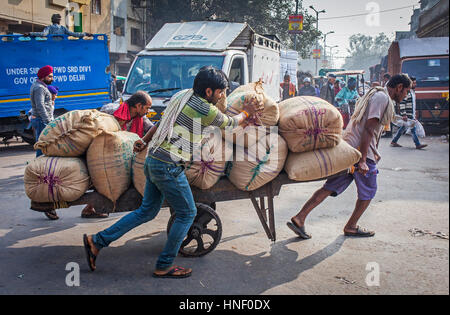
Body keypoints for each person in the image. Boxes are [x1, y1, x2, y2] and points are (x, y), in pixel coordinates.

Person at [82, 66, 263, 278]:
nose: (222, 95)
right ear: (208, 92)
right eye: (220, 91)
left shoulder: (182, 95)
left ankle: (97, 241)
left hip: (154, 159)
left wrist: (144, 140)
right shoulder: (205, 109)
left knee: (146, 212)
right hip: (168, 166)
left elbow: (162, 122)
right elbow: (229, 123)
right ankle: (164, 264)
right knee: (187, 213)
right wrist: (247, 112)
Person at [287, 74, 412, 239]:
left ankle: (300, 217)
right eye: (406, 92)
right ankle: (351, 226)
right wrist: (362, 159)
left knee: (330, 187)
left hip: (351, 150)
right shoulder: (382, 98)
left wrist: (373, 152)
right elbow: (368, 129)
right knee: (369, 191)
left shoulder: (376, 94)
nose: (405, 96)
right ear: (399, 87)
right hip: (358, 152)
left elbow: (369, 128)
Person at [43, 91, 154, 221]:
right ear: (139, 106)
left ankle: (89, 208)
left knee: (103, 179)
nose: (148, 111)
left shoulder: (140, 118)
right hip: (94, 149)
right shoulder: (112, 110)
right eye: (147, 108)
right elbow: (94, 129)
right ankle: (49, 202)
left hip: (112, 154)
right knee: (83, 179)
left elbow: (151, 128)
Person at [391, 77, 427, 150]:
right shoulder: (407, 92)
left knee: (403, 128)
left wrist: (414, 115)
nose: (415, 84)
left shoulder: (412, 92)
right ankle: (417, 144)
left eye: (415, 82)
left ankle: (394, 141)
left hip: (411, 115)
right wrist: (404, 114)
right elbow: (402, 103)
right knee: (412, 129)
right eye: (413, 83)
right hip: (407, 115)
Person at [29, 66, 54, 158]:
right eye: (50, 76)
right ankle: (39, 164)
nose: (52, 79)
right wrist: (48, 120)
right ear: (43, 77)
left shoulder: (39, 86)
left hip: (40, 119)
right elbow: (40, 105)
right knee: (42, 143)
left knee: (43, 142)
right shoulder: (39, 88)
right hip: (41, 120)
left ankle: (40, 164)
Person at [24, 14, 92, 38]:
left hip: (51, 47)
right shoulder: (63, 28)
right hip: (62, 47)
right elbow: (74, 34)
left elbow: (43, 34)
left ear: (52, 20)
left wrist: (30, 33)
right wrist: (85, 34)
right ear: (59, 21)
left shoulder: (49, 27)